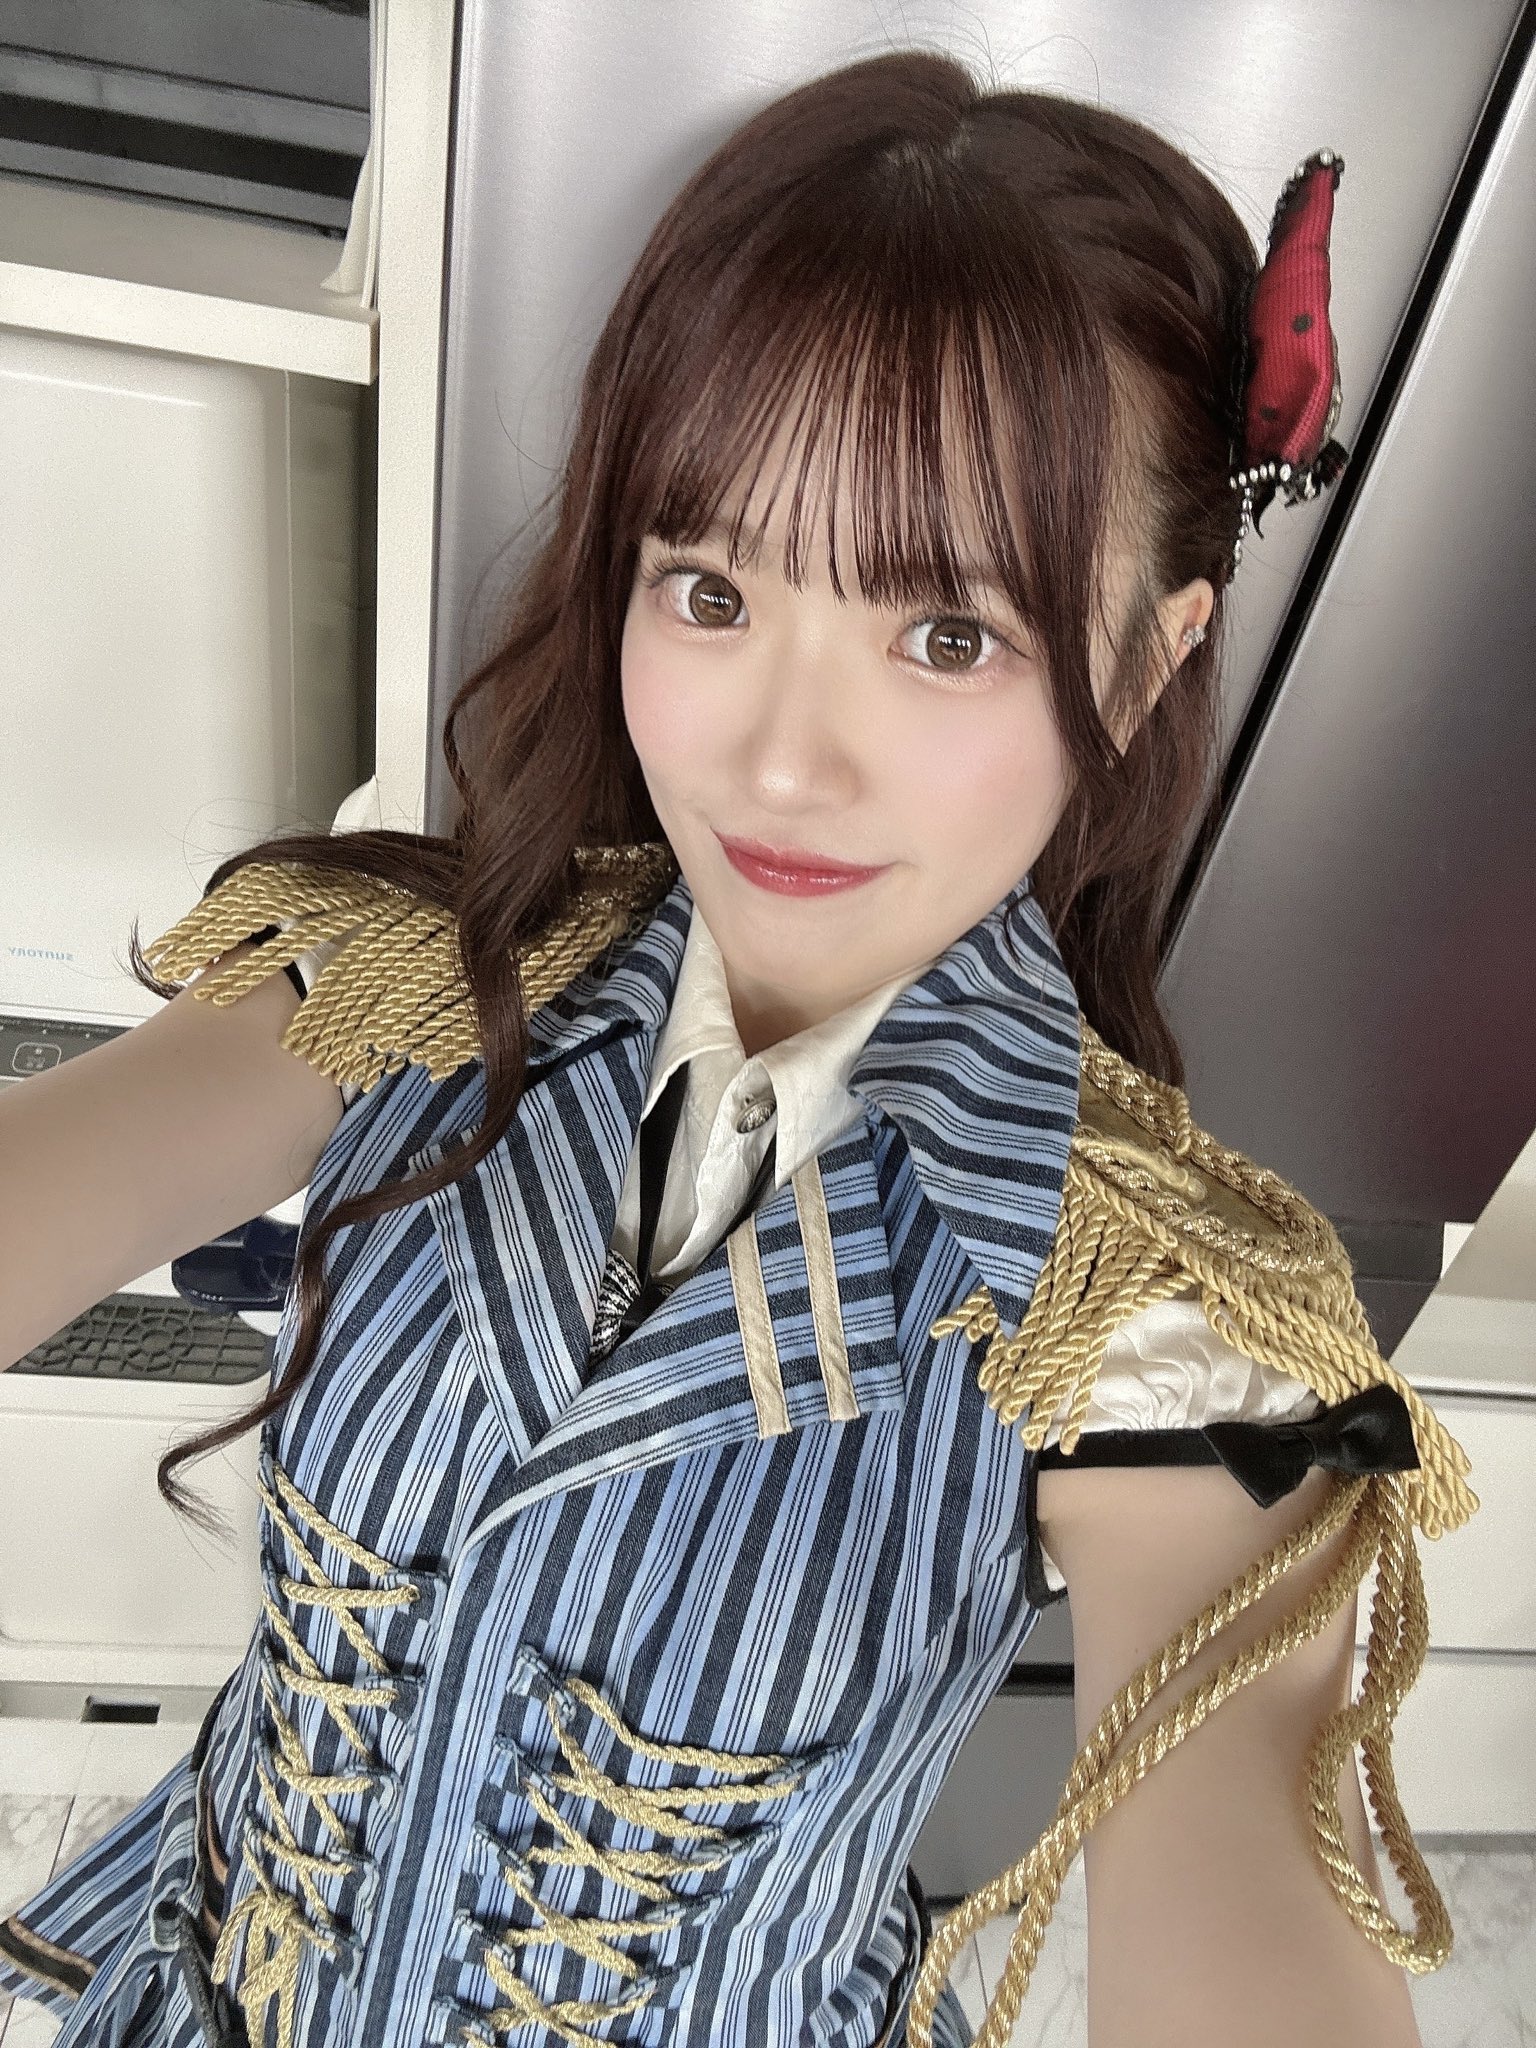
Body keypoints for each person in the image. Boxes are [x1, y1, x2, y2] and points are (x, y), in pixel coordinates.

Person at [0, 48, 1476, 2048]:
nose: (780, 760)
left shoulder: (1143, 1311)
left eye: (945, 634)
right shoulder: (417, 976)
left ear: (1146, 656)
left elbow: (1246, 1867)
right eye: (710, 589)